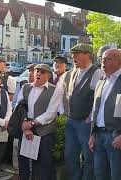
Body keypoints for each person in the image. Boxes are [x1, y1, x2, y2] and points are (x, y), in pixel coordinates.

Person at [35, 43, 104, 180]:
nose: (73, 57)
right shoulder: (69, 74)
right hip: (71, 122)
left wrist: (91, 118)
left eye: (76, 54)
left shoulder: (97, 73)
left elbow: (101, 100)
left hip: (85, 124)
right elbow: (59, 97)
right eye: (72, 54)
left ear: (87, 55)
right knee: (70, 156)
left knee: (88, 158)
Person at [17, 64, 57, 180]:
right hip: (26, 128)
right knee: (23, 161)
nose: (38, 73)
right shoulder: (26, 87)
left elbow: (51, 113)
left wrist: (32, 123)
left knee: (43, 163)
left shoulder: (54, 90)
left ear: (48, 76)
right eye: (37, 71)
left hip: (45, 131)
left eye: (42, 72)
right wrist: (26, 125)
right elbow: (19, 107)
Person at [88, 49, 121, 180]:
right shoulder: (101, 81)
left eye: (107, 59)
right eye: (102, 59)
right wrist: (92, 134)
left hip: (115, 136)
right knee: (100, 174)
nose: (103, 62)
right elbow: (96, 109)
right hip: (99, 136)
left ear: (119, 62)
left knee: (116, 175)